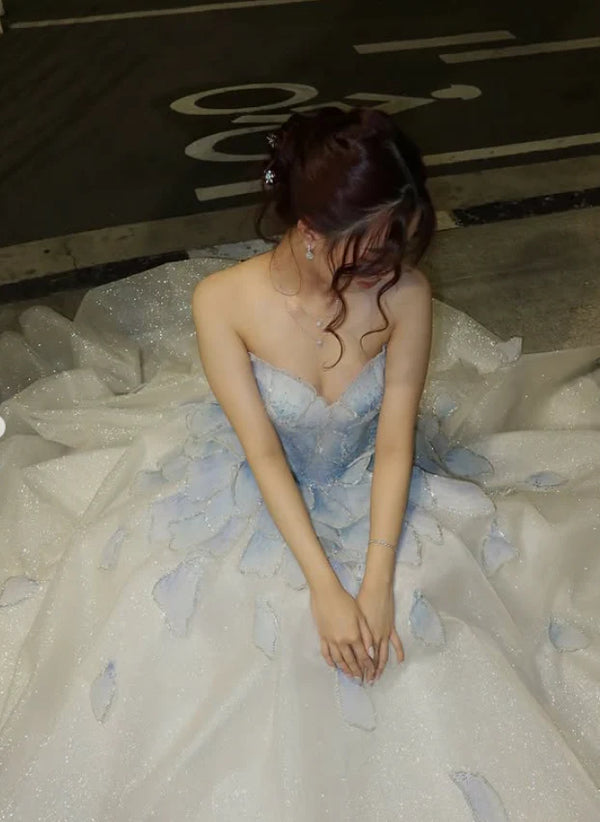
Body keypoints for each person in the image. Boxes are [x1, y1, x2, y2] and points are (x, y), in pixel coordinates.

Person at [0, 107, 599, 821]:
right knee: (260, 623)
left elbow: (395, 442)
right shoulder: (224, 301)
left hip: (371, 481)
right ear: (312, 230)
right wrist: (325, 587)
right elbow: (261, 452)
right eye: (372, 241)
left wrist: (374, 582)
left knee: (420, 605)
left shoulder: (404, 292)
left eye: (398, 235)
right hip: (257, 489)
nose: (388, 259)